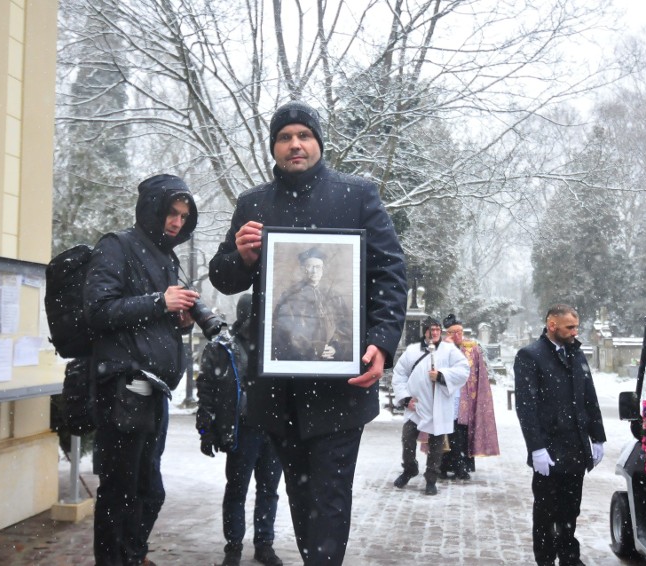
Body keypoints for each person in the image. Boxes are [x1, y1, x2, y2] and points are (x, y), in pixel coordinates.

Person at [209, 100, 407, 565]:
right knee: (301, 503)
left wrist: (381, 339)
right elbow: (223, 277)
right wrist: (241, 257)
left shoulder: (357, 195)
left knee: (330, 500)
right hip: (277, 390)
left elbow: (390, 271)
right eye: (284, 137)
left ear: (318, 142)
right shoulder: (253, 204)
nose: (294, 144)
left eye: (304, 135)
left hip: (340, 386)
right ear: (273, 147)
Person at [84, 174, 223, 566]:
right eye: (171, 213)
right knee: (121, 489)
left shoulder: (166, 257)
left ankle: (133, 554)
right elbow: (98, 311)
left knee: (148, 490)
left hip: (154, 388)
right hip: (124, 384)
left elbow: (148, 315)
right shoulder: (117, 246)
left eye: (183, 215)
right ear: (152, 209)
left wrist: (175, 321)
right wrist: (160, 302)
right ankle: (116, 559)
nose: (177, 222)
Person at [513, 304, 606, 566]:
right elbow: (526, 406)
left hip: (575, 446)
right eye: (570, 327)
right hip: (550, 448)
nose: (575, 332)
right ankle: (545, 560)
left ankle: (569, 556)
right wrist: (536, 447)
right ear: (552, 325)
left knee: (570, 508)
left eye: (576, 326)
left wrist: (597, 437)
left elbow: (589, 397)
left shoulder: (576, 354)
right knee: (545, 511)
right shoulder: (530, 356)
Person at [196, 294, 284, 566]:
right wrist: (206, 428)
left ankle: (264, 544)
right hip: (242, 430)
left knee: (269, 490)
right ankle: (233, 545)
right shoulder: (222, 346)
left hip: (274, 430)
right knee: (236, 489)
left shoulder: (277, 344)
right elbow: (207, 388)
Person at [391, 317, 469, 495]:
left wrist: (441, 376)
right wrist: (405, 398)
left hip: (439, 406)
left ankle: (431, 479)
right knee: (407, 438)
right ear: (424, 331)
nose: (434, 333)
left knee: (436, 445)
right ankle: (409, 468)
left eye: (437, 330)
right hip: (417, 405)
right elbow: (399, 374)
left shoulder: (449, 350)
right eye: (430, 329)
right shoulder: (412, 351)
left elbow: (464, 369)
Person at [440, 314, 500, 481]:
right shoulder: (440, 348)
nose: (457, 335)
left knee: (460, 432)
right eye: (452, 332)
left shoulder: (472, 348)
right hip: (446, 396)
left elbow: (479, 373)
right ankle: (442, 466)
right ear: (447, 333)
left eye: (459, 331)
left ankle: (461, 465)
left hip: (466, 397)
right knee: (443, 432)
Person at [272, 246, 351, 361]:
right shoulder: (290, 296)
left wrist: (335, 346)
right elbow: (283, 331)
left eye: (318, 267)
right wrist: (315, 348)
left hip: (332, 361)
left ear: (323, 270)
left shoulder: (334, 296)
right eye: (310, 266)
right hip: (302, 360)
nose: (314, 271)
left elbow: (345, 327)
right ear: (302, 269)